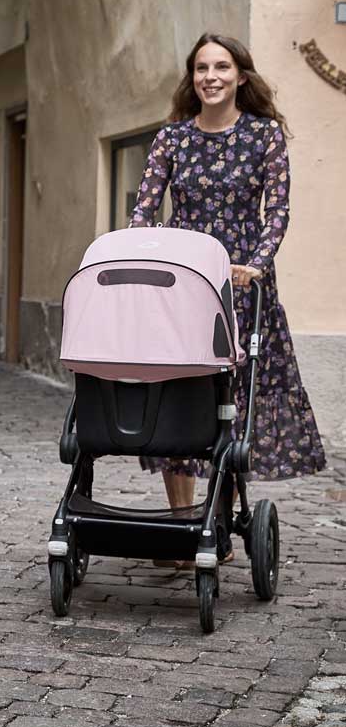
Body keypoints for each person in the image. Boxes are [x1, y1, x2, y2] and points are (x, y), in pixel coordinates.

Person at [130, 32, 325, 543]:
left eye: (221, 67)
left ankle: (218, 517)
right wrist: (137, 252)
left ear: (241, 75)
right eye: (201, 69)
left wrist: (256, 264)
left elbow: (276, 212)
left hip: (242, 284)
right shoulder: (172, 139)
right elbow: (145, 209)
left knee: (230, 404)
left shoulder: (264, 136)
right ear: (191, 78)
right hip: (182, 282)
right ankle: (179, 523)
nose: (210, 77)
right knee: (176, 394)